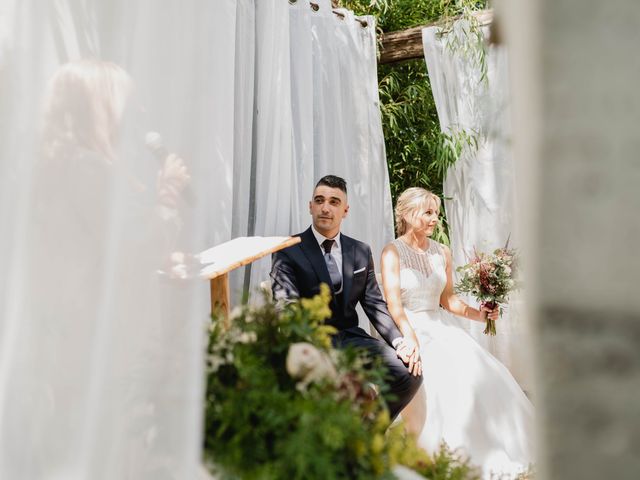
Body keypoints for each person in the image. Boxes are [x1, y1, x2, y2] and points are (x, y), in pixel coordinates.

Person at [380, 187, 535, 477]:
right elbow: (393, 305)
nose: (434, 219)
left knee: (480, 370)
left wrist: (481, 314)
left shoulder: (443, 252)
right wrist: (409, 338)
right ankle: (436, 452)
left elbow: (448, 300)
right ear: (406, 213)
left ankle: (488, 445)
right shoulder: (392, 251)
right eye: (427, 212)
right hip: (409, 328)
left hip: (441, 325)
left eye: (435, 213)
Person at [270, 175, 422, 421]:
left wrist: (399, 342)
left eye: (333, 201)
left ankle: (367, 435)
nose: (325, 207)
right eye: (319, 200)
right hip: (312, 342)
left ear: (345, 210)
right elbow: (285, 306)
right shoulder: (288, 249)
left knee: (410, 373)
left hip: (351, 339)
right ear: (310, 206)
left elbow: (373, 303)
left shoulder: (359, 251)